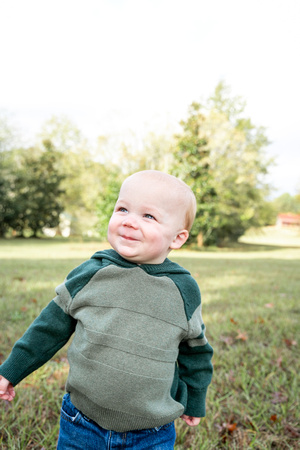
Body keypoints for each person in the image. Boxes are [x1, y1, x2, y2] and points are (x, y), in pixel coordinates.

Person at [0, 170, 213, 449]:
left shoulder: (183, 290)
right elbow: (48, 328)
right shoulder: (91, 273)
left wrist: (194, 399)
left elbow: (195, 351)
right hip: (82, 422)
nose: (129, 221)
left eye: (148, 216)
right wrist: (10, 371)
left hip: (152, 431)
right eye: (123, 208)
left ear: (177, 238)